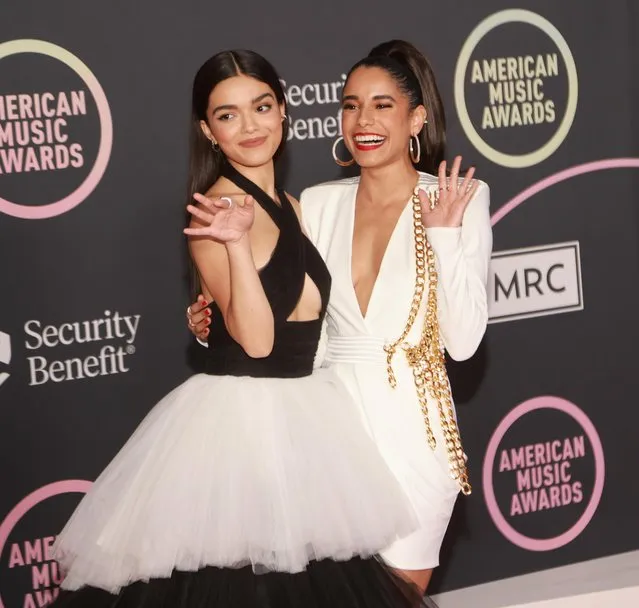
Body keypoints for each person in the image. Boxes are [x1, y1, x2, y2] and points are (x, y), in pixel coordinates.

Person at [52, 49, 426, 608]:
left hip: (307, 419)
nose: (249, 126)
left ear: (284, 112)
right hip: (240, 429)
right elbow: (256, 340)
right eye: (228, 115)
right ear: (208, 130)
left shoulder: (296, 207)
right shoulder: (213, 215)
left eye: (261, 107)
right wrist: (232, 247)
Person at [187, 40, 493, 595]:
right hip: (326, 432)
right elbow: (292, 313)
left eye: (382, 105)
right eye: (351, 105)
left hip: (414, 430)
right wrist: (214, 315)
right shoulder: (317, 202)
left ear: (416, 118)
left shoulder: (458, 198)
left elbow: (466, 342)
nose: (364, 120)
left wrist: (445, 237)